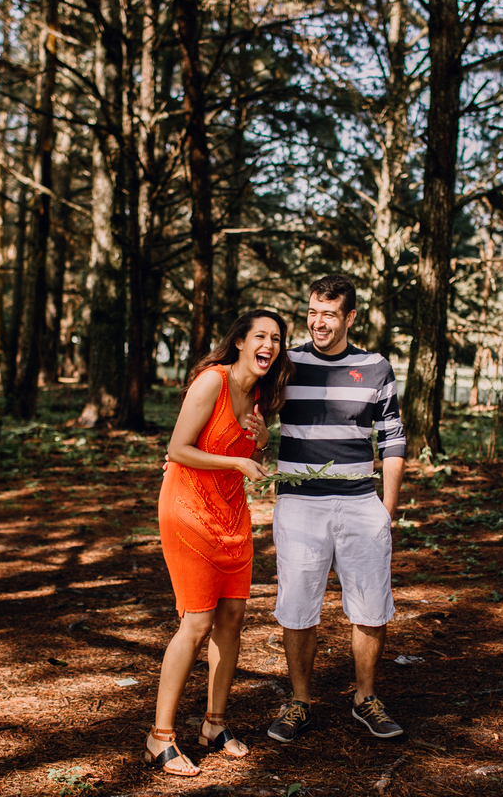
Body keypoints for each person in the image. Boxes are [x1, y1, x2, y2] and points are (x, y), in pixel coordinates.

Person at [145, 309, 293, 776]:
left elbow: (243, 448)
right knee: (197, 622)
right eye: (261, 336)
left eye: (277, 338)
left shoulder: (260, 393)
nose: (269, 344)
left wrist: (263, 441)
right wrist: (237, 465)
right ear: (241, 342)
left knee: (232, 617)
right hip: (187, 506)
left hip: (231, 513)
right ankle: (160, 737)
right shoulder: (212, 380)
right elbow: (178, 448)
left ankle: (214, 722)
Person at [267, 274, 407, 743]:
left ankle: (365, 697)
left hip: (359, 504)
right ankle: (300, 701)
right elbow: (246, 405)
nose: (318, 321)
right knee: (297, 604)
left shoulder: (375, 367)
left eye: (329, 313)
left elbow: (392, 438)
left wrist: (385, 509)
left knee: (371, 604)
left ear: (349, 317)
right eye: (312, 312)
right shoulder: (286, 363)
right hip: (299, 507)